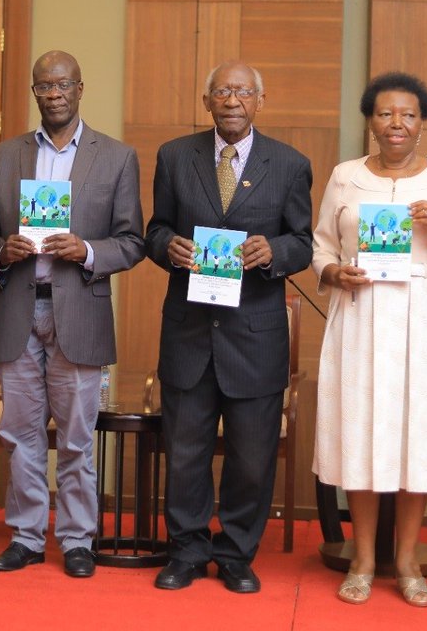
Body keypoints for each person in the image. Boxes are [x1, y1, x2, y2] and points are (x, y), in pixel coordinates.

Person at [0, 50, 144, 579]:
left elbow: (133, 242)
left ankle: (75, 539)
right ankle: (25, 536)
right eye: (43, 86)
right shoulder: (6, 155)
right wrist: (2, 251)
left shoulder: (115, 157)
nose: (53, 94)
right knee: (20, 436)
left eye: (62, 84)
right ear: (34, 92)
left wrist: (88, 252)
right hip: (18, 311)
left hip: (79, 311)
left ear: (79, 88)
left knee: (75, 438)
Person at [144, 60, 312, 593]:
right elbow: (155, 229)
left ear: (260, 101)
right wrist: (165, 247)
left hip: (255, 336)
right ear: (207, 101)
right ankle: (188, 551)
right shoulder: (175, 156)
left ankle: (237, 553)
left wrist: (275, 250)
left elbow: (305, 243)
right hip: (189, 332)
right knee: (186, 452)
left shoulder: (289, 164)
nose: (232, 100)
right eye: (222, 91)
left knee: (251, 457)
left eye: (242, 91)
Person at [312, 72, 427, 608]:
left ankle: (407, 560)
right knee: (359, 432)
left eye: (407, 114)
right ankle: (362, 558)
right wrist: (335, 273)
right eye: (385, 114)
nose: (396, 124)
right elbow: (320, 248)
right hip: (361, 312)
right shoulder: (344, 176)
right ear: (371, 122)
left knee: (416, 434)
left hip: (424, 316)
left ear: (422, 122)